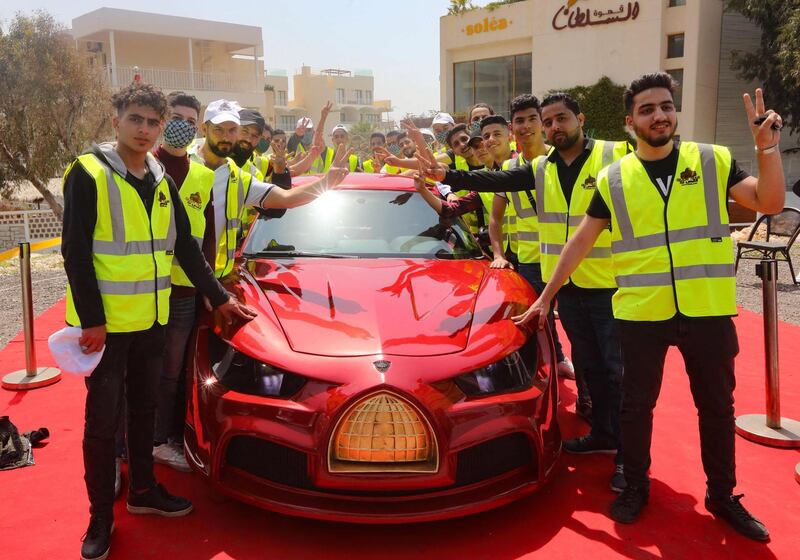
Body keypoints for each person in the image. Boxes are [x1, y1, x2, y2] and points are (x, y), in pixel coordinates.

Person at [514, 74, 782, 542]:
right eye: (646, 109)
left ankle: (722, 494)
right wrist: (546, 295)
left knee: (717, 408)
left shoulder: (711, 160)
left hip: (706, 311)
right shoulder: (615, 177)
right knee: (637, 407)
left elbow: (770, 201)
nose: (659, 115)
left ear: (674, 111)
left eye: (665, 106)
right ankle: (635, 485)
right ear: (629, 122)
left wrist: (767, 149)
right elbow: (579, 242)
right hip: (641, 314)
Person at [63, 82, 256, 560]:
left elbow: (186, 247)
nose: (145, 130)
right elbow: (75, 253)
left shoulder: (158, 175)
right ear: (117, 122)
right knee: (102, 423)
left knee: (145, 411)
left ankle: (144, 491)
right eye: (136, 120)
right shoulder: (88, 173)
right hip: (106, 328)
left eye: (153, 121)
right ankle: (100, 517)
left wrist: (217, 297)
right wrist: (92, 321)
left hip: (152, 318)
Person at [420, 93, 631, 492]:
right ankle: (603, 433)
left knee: (618, 373)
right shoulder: (540, 168)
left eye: (558, 119)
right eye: (546, 121)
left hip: (611, 286)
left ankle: (629, 459)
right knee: (589, 364)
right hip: (566, 286)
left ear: (579, 119)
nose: (553, 127)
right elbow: (492, 181)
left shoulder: (614, 156)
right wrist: (445, 176)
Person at [150, 91, 215, 473]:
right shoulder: (144, 166)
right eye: (176, 117)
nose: (183, 126)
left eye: (191, 121)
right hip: (143, 292)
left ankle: (165, 439)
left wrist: (208, 288)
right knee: (136, 370)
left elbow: (206, 237)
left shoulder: (203, 175)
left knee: (173, 371)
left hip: (185, 293)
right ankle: (133, 441)